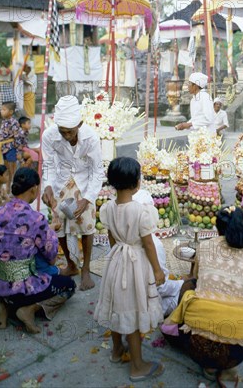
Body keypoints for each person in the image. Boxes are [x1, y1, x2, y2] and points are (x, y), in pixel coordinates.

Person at [161, 206, 243, 388]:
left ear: (217, 229)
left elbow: (196, 277)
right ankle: (228, 367)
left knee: (189, 286)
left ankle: (209, 367)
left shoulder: (205, 247)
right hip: (237, 352)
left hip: (197, 347)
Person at [94, 157, 165, 383]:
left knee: (117, 305)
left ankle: (117, 350)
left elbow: (111, 239)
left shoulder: (108, 208)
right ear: (137, 183)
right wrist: (157, 270)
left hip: (117, 262)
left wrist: (118, 258)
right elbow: (148, 243)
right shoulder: (141, 211)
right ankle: (137, 366)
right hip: (135, 264)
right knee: (133, 312)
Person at [0, 168, 75, 333]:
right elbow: (51, 257)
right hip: (20, 288)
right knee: (69, 286)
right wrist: (51, 233)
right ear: (34, 189)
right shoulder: (36, 218)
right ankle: (29, 309)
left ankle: (3, 304)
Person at [41, 95, 103, 291]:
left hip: (85, 183)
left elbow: (97, 170)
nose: (66, 135)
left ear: (80, 124)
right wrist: (48, 187)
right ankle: (71, 264)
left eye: (70, 131)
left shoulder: (91, 137)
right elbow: (48, 165)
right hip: (61, 182)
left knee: (87, 225)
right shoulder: (49, 135)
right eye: (62, 131)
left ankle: (86, 268)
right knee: (58, 224)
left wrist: (87, 199)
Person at [134, 188, 184, 316]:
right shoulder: (154, 244)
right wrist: (181, 284)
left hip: (129, 297)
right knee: (186, 291)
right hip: (146, 300)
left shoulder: (122, 239)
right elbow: (160, 287)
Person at [0, 101, 22, 189]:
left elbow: (17, 137)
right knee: (6, 170)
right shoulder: (4, 121)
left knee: (12, 170)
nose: (1, 111)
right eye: (1, 109)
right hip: (4, 148)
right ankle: (7, 188)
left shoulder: (14, 122)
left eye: (4, 109)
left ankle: (13, 188)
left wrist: (18, 152)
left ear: (11, 111)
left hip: (11, 148)